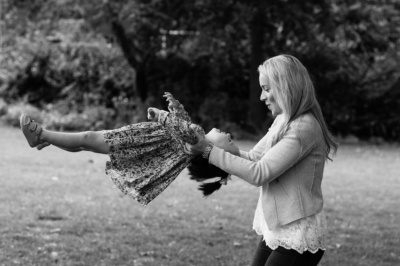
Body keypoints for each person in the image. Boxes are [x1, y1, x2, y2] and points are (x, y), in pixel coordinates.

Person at [186, 54, 338, 266]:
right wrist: (210, 148)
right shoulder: (283, 120)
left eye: (267, 88)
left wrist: (209, 151)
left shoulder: (303, 127)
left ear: (287, 87)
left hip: (297, 232)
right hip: (281, 225)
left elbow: (259, 172)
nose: (261, 97)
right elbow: (254, 158)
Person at [19, 92, 240, 205]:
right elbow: (183, 124)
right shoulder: (197, 139)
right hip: (140, 141)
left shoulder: (197, 143)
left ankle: (40, 134)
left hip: (137, 144)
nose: (229, 135)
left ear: (216, 154)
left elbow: (181, 128)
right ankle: (45, 140)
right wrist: (177, 108)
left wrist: (162, 115)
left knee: (87, 139)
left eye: (229, 142)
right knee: (85, 144)